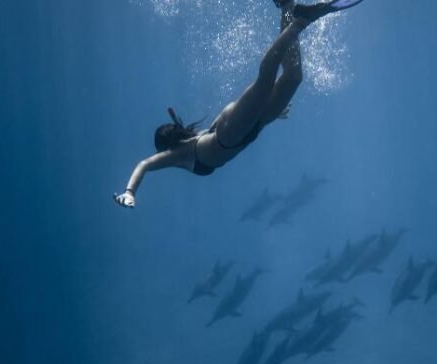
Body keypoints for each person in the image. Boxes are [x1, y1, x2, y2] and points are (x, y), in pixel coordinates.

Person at [113, 0, 365, 209]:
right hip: (249, 129)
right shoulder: (191, 144)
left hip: (233, 131)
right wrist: (274, 116)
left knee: (266, 77)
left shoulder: (175, 154)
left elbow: (143, 165)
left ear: (165, 146)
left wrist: (130, 192)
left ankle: (301, 22)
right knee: (293, 77)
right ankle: (289, 8)